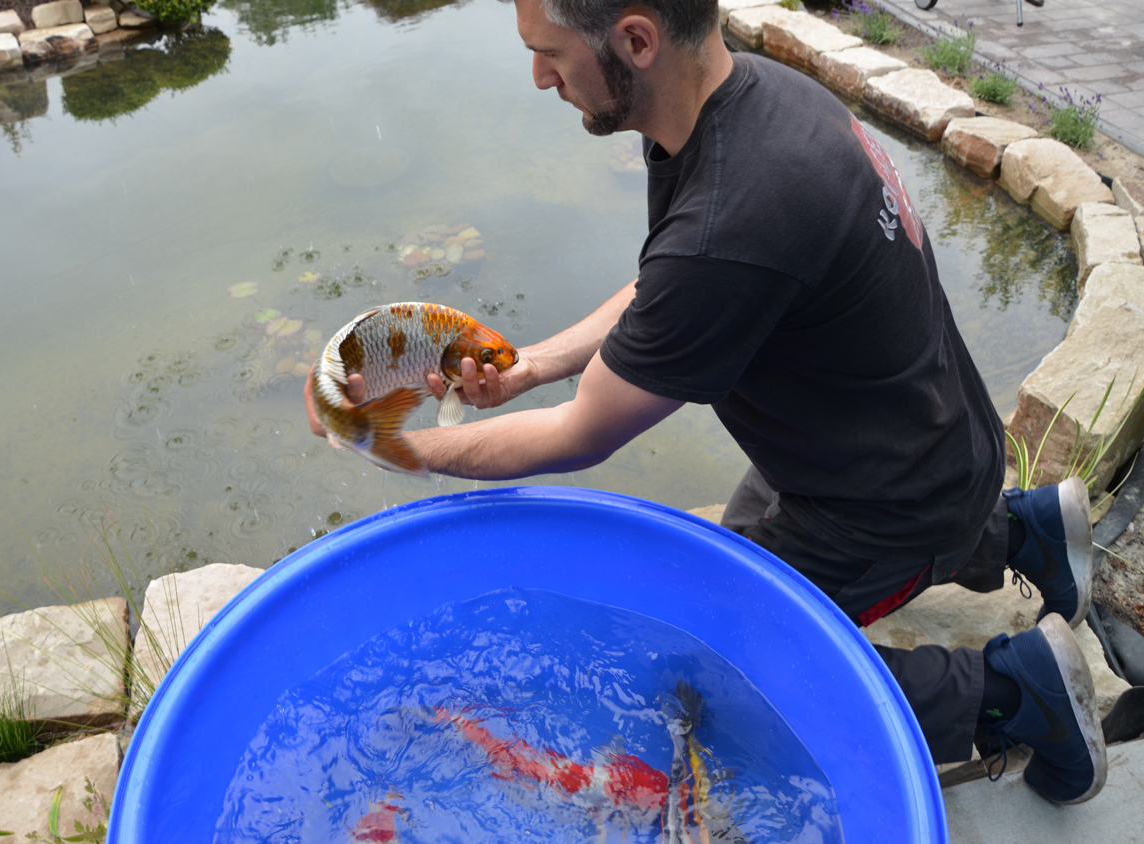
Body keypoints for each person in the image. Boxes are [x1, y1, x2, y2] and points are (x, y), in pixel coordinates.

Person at [306, 0, 1106, 804]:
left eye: (549, 53)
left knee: (722, 673)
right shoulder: (752, 96)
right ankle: (1025, 532)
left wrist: (380, 440)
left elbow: (578, 434)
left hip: (895, 505)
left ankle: (1014, 693)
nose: (540, 77)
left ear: (635, 40)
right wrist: (530, 367)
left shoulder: (736, 214)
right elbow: (667, 284)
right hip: (912, 435)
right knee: (723, 566)